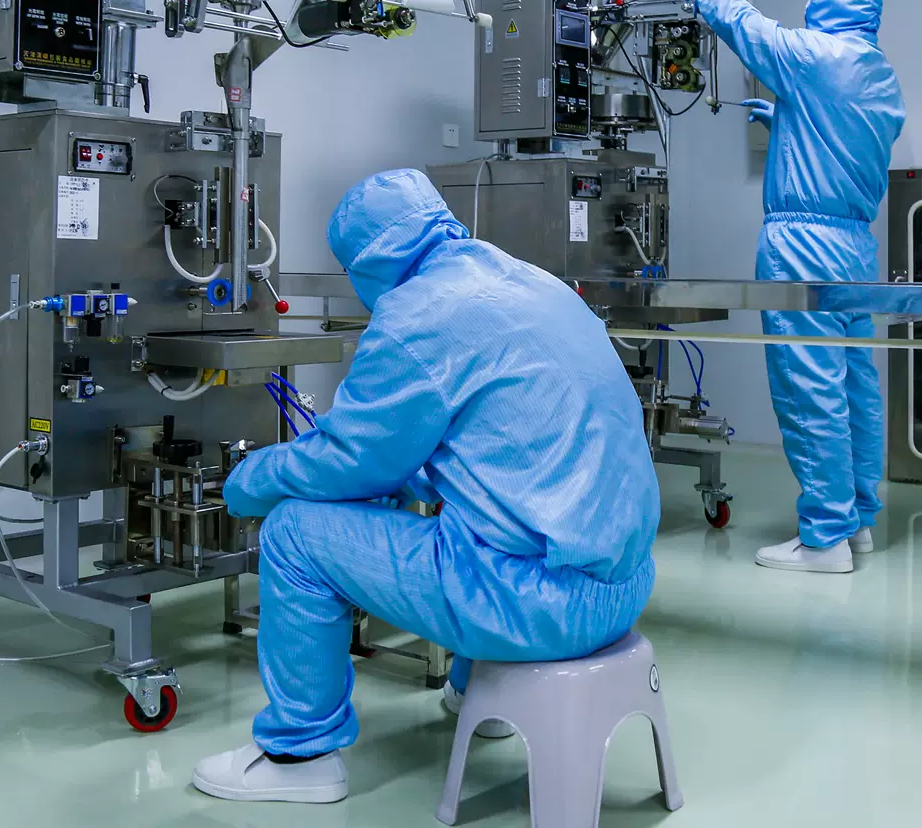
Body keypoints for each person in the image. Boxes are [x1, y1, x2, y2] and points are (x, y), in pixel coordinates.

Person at [190, 168, 661, 804]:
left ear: (365, 264)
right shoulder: (529, 281)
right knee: (474, 508)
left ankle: (299, 756)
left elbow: (351, 459)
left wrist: (253, 478)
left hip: (538, 608)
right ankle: (482, 698)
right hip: (625, 586)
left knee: (294, 534)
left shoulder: (417, 315)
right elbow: (487, 445)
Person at [669, 0, 905, 574]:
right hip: (855, 251)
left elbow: (748, 28)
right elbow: (845, 142)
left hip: (804, 246)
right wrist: (793, 121)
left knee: (810, 387)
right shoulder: (877, 72)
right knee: (854, 385)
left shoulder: (814, 56)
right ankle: (857, 522)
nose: (808, 1)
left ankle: (824, 540)